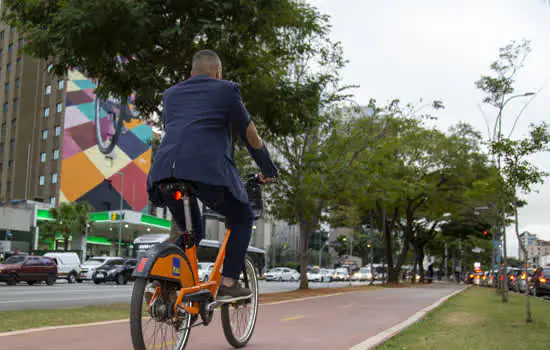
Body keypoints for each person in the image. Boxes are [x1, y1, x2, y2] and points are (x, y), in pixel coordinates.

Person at [147, 49, 278, 302]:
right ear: (218, 72)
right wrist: (269, 169)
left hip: (164, 171)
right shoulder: (227, 90)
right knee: (242, 217)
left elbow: (179, 130)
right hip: (206, 170)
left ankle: (167, 283)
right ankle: (228, 282)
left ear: (190, 73)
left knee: (191, 233)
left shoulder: (170, 95)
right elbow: (251, 136)